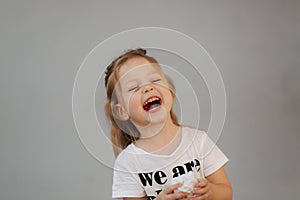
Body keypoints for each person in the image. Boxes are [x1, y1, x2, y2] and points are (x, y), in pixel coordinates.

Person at [104, 48, 232, 200]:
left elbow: (226, 192)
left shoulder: (199, 141)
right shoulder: (128, 162)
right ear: (121, 111)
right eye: (133, 88)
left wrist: (211, 192)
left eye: (155, 80)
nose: (148, 88)